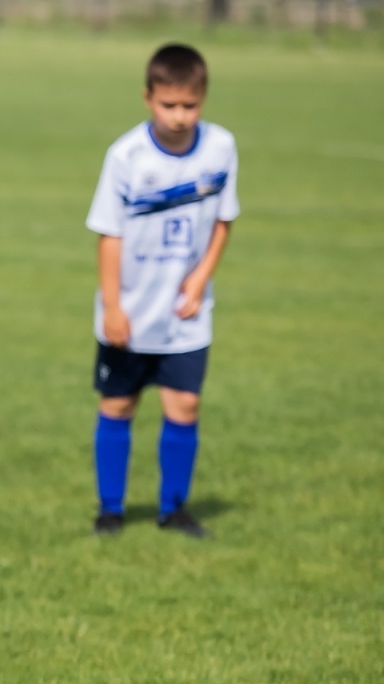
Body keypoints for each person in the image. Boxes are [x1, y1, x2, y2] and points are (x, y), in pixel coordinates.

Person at [88, 43, 240, 539]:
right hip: (130, 309)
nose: (179, 116)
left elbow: (223, 220)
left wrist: (200, 279)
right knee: (118, 405)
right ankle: (111, 511)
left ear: (204, 99)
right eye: (168, 105)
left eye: (190, 106)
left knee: (185, 406)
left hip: (186, 310)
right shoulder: (125, 155)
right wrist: (113, 306)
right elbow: (109, 235)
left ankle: (173, 509)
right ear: (147, 97)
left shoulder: (221, 148)